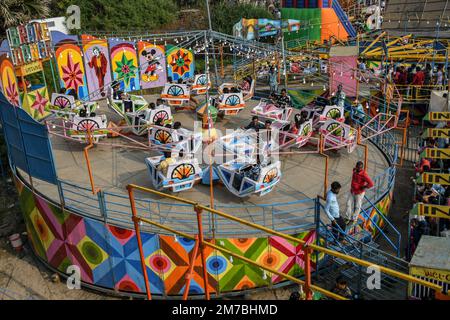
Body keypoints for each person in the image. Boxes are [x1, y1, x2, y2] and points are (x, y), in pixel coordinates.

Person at [344, 161, 374, 226]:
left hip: (359, 193)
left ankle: (354, 219)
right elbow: (353, 170)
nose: (358, 169)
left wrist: (364, 187)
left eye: (359, 168)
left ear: (362, 168)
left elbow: (371, 184)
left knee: (357, 206)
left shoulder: (364, 175)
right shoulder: (354, 171)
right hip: (352, 191)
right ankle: (347, 217)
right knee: (348, 204)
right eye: (357, 167)